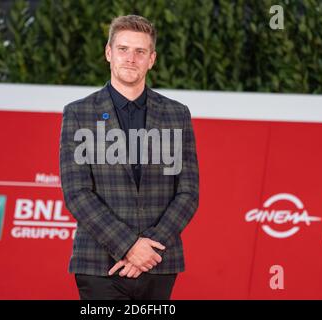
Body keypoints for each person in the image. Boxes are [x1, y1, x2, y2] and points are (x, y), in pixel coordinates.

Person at [59, 14, 199, 300]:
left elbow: (188, 193)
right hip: (98, 265)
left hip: (158, 263)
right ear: (109, 53)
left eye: (140, 51)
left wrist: (149, 248)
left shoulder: (177, 114)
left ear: (152, 59)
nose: (131, 58)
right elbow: (78, 193)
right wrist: (128, 246)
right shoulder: (79, 113)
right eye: (123, 49)